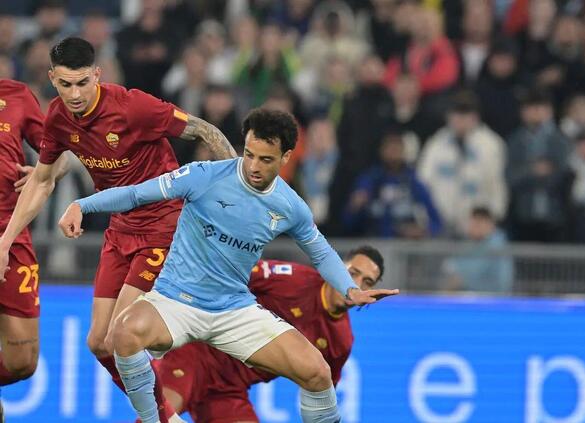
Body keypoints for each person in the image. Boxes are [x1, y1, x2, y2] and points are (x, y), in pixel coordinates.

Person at [58, 107, 398, 423]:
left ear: (286, 157)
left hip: (234, 311)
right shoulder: (204, 176)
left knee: (317, 372)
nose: (252, 166)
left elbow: (321, 252)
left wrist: (350, 289)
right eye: (249, 154)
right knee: (124, 331)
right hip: (177, 301)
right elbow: (134, 195)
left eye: (265, 160)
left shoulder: (290, 206)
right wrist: (82, 205)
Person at [0, 37, 237, 423]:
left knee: (120, 336)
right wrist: (5, 241)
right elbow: (43, 180)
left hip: (165, 224)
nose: (74, 94)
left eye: (82, 83)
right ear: (52, 79)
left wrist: (240, 192)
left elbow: (203, 130)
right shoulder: (58, 117)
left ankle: (162, 408)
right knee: (98, 342)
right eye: (65, 84)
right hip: (119, 230)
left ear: (97, 74)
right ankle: (165, 410)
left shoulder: (133, 107)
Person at [153, 246, 385, 422]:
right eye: (353, 273)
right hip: (197, 353)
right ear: (337, 266)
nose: (357, 284)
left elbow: (322, 395)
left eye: (367, 282)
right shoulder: (293, 279)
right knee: (162, 413)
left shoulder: (341, 341)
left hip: (229, 390)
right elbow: (230, 274)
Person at [0, 78, 67, 421]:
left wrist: (49, 171)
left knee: (23, 363)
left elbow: (61, 152)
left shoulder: (16, 95)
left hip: (11, 236)